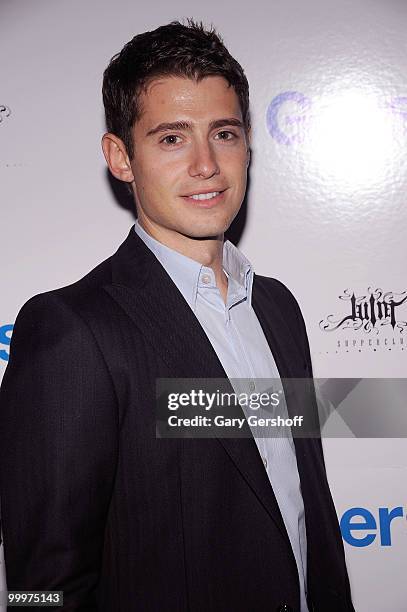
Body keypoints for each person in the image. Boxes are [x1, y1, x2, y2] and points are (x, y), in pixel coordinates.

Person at [0, 20, 355, 612]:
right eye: (171, 138)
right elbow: (42, 589)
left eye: (224, 133)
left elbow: (302, 506)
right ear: (121, 157)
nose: (206, 165)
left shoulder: (278, 308)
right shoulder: (71, 331)